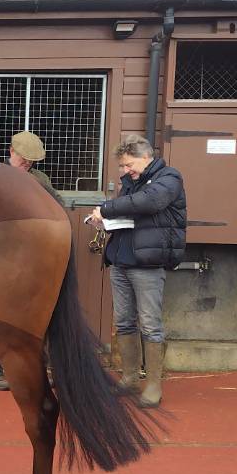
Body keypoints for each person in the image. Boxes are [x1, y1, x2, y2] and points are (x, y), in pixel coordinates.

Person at [83, 134, 187, 408]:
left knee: (150, 323)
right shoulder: (131, 182)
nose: (126, 170)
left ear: (145, 157)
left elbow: (148, 203)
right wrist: (104, 222)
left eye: (129, 164)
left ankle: (153, 385)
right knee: (125, 321)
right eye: (123, 166)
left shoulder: (169, 178)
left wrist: (105, 209)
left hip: (148, 264)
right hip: (122, 259)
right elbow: (128, 213)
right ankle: (130, 378)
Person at [0, 130, 60, 390]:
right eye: (24, 158)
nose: (28, 163)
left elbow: (56, 209)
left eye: (32, 160)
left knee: (32, 315)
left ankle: (34, 369)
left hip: (30, 258)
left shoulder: (40, 179)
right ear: (11, 152)